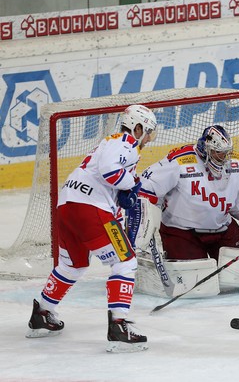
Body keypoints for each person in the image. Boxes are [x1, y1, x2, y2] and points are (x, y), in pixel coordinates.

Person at [26, 104, 157, 353]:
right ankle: (118, 325)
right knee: (125, 262)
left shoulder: (111, 144)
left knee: (72, 265)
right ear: (138, 128)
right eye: (148, 131)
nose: (149, 138)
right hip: (90, 208)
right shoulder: (126, 142)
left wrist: (124, 192)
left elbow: (108, 178)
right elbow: (111, 172)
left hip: (67, 207)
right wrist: (132, 183)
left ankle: (42, 313)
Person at [135, 125, 239, 263]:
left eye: (225, 152)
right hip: (182, 233)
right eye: (217, 152)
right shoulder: (179, 161)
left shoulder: (237, 164)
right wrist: (142, 231)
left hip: (222, 228)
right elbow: (146, 188)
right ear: (205, 150)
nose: (223, 158)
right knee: (193, 278)